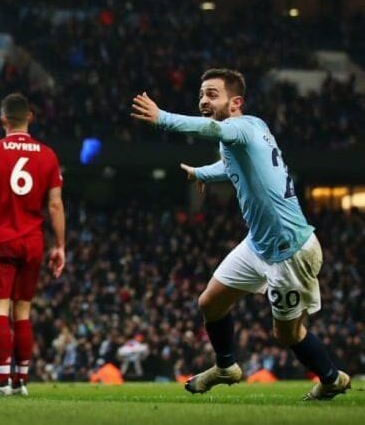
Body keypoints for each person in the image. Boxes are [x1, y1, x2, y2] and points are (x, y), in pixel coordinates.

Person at [130, 68, 351, 400]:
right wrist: (202, 173)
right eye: (201, 95)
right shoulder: (252, 129)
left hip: (290, 250)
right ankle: (226, 367)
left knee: (287, 334)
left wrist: (162, 118)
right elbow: (231, 166)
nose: (204, 101)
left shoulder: (238, 127)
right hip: (258, 244)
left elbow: (210, 128)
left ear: (236, 103)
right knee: (210, 303)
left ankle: (332, 379)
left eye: (212, 94)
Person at [0, 93, 65, 396]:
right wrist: (60, 245)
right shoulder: (48, 155)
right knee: (23, 313)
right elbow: (55, 205)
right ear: (30, 117)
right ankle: (21, 381)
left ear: (3, 120)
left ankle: (2, 382)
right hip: (32, 242)